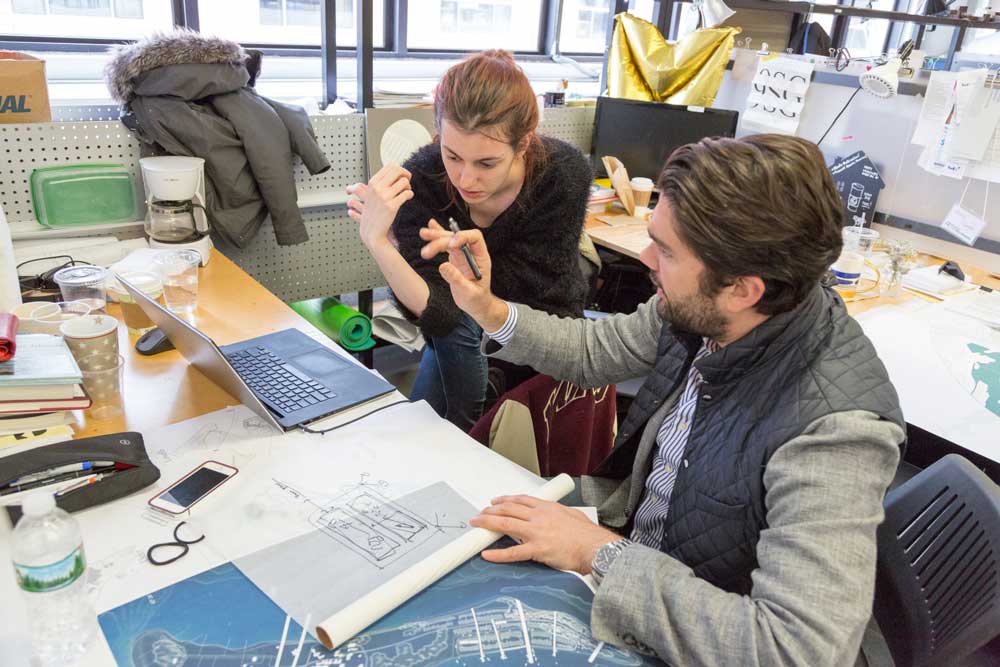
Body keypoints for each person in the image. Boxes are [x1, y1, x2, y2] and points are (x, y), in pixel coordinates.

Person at [418, 134, 906, 666]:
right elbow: (594, 351)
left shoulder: (835, 433)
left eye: (667, 251)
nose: (647, 258)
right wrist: (488, 308)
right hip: (638, 552)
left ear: (743, 288)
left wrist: (594, 551)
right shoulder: (709, 311)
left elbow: (796, 650)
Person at [346, 50, 591, 431]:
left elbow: (514, 293)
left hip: (541, 333)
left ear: (523, 143)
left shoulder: (562, 174)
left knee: (515, 459)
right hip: (459, 337)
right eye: (452, 155)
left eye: (486, 163)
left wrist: (458, 274)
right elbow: (442, 315)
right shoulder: (423, 177)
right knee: (421, 435)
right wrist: (381, 243)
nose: (465, 180)